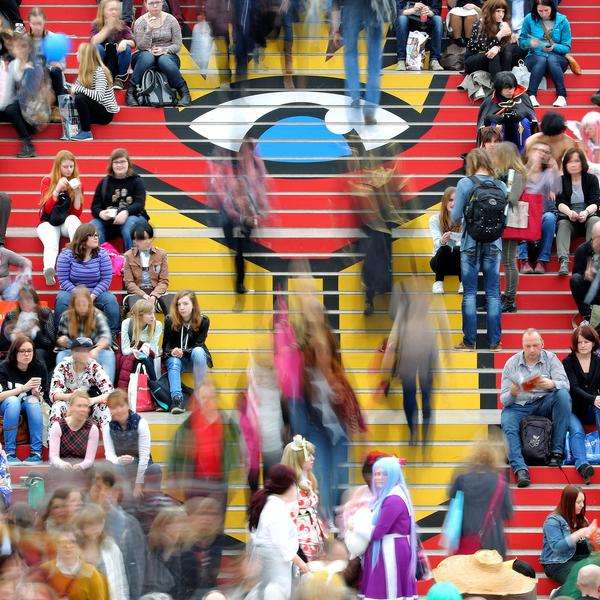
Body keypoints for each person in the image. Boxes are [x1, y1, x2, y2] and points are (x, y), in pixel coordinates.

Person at [500, 328, 593, 488]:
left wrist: (551, 384)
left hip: (545, 402)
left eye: (535, 345)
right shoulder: (511, 363)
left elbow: (565, 385)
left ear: (542, 344)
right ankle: (520, 469)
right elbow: (504, 400)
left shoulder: (551, 358)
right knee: (507, 420)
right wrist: (513, 393)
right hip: (520, 405)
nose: (531, 350)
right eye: (527, 346)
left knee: (562, 395)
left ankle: (557, 452)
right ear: (522, 345)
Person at [451, 148, 507, 351]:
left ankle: (469, 341)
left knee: (470, 294)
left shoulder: (465, 183)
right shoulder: (501, 185)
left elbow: (455, 217)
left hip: (470, 244)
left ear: (472, 163)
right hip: (494, 244)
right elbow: (505, 218)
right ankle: (495, 342)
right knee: (493, 293)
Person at [210, 141, 269, 295]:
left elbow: (261, 185)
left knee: (242, 248)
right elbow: (227, 203)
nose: (243, 154)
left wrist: (257, 214)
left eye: (247, 151)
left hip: (247, 213)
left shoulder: (252, 168)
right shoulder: (228, 168)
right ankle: (239, 283)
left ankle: (240, 283)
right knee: (238, 249)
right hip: (231, 215)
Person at [168, 381, 238, 501]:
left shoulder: (227, 424)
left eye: (210, 397)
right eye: (203, 398)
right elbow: (175, 455)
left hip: (219, 484)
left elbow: (236, 449)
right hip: (195, 484)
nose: (206, 401)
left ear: (216, 398)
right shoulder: (189, 424)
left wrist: (233, 473)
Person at [247, 464, 309, 599]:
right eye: (294, 484)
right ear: (287, 486)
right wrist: (303, 565)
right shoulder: (275, 510)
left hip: (276, 570)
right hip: (275, 572)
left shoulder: (274, 505)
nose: (296, 489)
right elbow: (282, 545)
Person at [361, 456, 418, 600]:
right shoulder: (393, 495)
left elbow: (377, 532)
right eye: (376, 473)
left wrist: (355, 528)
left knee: (389, 594)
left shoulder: (393, 499)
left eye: (384, 474)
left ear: (393, 475)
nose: (378, 478)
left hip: (391, 552)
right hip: (391, 549)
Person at [448, 437, 513, 557]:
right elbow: (508, 513)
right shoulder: (500, 482)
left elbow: (452, 501)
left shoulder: (461, 479)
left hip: (467, 539)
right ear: (494, 457)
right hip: (494, 542)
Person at [89, 469, 147, 599]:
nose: (101, 494)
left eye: (105, 488)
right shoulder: (83, 522)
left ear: (116, 493)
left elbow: (135, 571)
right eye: (97, 488)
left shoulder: (128, 525)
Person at [55, 223, 120, 338]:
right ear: (83, 237)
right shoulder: (66, 255)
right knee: (61, 299)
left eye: (97, 235)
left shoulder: (102, 254)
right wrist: (79, 295)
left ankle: (111, 336)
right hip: (72, 291)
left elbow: (106, 279)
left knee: (110, 300)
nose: (96, 238)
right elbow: (63, 280)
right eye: (92, 235)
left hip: (95, 291)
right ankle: (61, 336)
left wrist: (93, 295)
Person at [330, 0, 384, 125]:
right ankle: (370, 111)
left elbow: (335, 4)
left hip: (351, 5)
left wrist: (336, 30)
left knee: (350, 54)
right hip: (374, 7)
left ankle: (354, 97)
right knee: (374, 60)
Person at [128, 0, 190, 107]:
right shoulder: (140, 22)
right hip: (144, 57)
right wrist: (149, 31)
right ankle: (131, 93)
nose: (155, 6)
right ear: (146, 5)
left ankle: (184, 93)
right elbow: (141, 46)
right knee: (148, 57)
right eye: (151, 3)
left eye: (158, 2)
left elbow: (177, 45)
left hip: (168, 56)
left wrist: (164, 50)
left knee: (163, 59)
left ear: (162, 3)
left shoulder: (171, 20)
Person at [101, 389, 160, 498]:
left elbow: (144, 457)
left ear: (128, 405)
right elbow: (109, 455)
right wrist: (119, 460)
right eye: (114, 408)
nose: (118, 411)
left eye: (121, 406)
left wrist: (138, 484)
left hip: (141, 465)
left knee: (155, 468)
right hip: (121, 466)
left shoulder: (141, 423)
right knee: (113, 468)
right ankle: (127, 503)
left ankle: (152, 503)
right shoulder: (107, 428)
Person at [37, 150, 84, 286]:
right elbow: (47, 209)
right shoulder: (47, 180)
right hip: (47, 222)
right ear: (58, 166)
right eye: (65, 167)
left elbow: (76, 213)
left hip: (65, 221)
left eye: (71, 166)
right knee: (51, 242)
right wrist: (56, 190)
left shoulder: (76, 182)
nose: (69, 170)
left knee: (74, 221)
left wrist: (77, 193)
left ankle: (78, 257)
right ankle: (49, 270)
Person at [91, 148, 150, 252]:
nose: (119, 165)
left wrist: (126, 212)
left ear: (128, 163)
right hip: (110, 222)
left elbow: (140, 204)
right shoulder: (104, 183)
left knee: (128, 226)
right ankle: (104, 260)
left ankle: (131, 262)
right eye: (116, 162)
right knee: (93, 227)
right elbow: (95, 206)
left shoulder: (136, 181)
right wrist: (101, 213)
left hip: (135, 217)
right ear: (111, 165)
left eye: (122, 161)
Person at [162, 290, 212, 413]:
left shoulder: (203, 321)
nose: (181, 307)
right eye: (179, 304)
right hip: (177, 359)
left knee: (199, 351)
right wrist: (172, 351)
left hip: (195, 357)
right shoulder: (170, 320)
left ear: (193, 305)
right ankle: (177, 400)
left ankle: (201, 396)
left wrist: (183, 351)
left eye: (185, 304)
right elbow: (165, 347)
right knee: (173, 361)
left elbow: (199, 344)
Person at [0, 335, 46, 464]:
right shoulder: (4, 367)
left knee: (33, 401)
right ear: (14, 352)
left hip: (28, 404)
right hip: (6, 405)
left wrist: (38, 395)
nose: (26, 354)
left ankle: (36, 452)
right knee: (13, 401)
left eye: (29, 351)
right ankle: (9, 452)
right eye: (22, 351)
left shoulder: (39, 367)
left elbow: (45, 396)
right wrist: (23, 388)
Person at [55, 286, 116, 382]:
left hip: (95, 349)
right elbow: (61, 338)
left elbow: (105, 338)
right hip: (73, 350)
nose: (81, 307)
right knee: (61, 356)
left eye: (84, 304)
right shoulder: (66, 316)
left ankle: (107, 390)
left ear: (89, 303)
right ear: (73, 305)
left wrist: (96, 350)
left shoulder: (97, 315)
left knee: (108, 356)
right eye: (78, 304)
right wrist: (62, 340)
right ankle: (64, 388)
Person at [494, 142, 528, 313]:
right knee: (507, 261)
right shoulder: (509, 174)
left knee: (509, 261)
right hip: (506, 220)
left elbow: (513, 198)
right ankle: (507, 296)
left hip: (510, 220)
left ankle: (510, 298)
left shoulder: (515, 174)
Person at [281, 435, 326, 562]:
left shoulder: (309, 481)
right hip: (300, 535)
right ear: (298, 459)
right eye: (308, 455)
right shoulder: (290, 486)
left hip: (312, 531)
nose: (313, 458)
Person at [518, 141, 561, 274]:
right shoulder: (519, 171)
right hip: (525, 215)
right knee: (520, 212)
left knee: (549, 217)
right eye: (538, 150)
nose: (541, 154)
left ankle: (542, 261)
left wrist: (554, 169)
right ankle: (524, 260)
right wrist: (531, 168)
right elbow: (512, 193)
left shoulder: (550, 174)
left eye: (546, 152)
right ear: (529, 152)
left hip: (543, 215)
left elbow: (558, 190)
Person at [518, 0, 572, 108]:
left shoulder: (562, 20)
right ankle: (531, 95)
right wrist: (530, 43)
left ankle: (561, 95)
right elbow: (522, 41)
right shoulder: (529, 18)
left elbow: (567, 47)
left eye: (546, 10)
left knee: (551, 59)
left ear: (552, 8)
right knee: (541, 59)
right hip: (534, 57)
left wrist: (554, 47)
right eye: (540, 11)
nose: (543, 13)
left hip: (556, 59)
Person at [49, 336, 114, 426]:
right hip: (69, 402)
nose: (83, 354)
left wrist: (91, 400)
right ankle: (54, 438)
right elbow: (53, 394)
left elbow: (109, 392)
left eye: (87, 351)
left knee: (103, 407)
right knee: (58, 406)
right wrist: (71, 397)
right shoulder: (63, 366)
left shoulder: (94, 366)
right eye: (79, 350)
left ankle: (105, 439)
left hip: (89, 403)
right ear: (72, 351)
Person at [557, 149, 600, 276]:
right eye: (570, 162)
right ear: (565, 164)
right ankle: (563, 261)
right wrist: (570, 213)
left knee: (595, 221)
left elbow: (595, 202)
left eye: (576, 161)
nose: (573, 164)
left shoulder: (591, 179)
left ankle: (592, 260)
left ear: (582, 163)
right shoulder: (561, 180)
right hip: (569, 217)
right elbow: (559, 202)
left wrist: (586, 212)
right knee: (563, 224)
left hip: (588, 215)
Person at [541, 485, 596, 584]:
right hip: (557, 563)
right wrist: (579, 533)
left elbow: (588, 547)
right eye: (578, 502)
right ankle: (557, 594)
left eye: (583, 501)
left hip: (579, 559)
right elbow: (557, 547)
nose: (582, 505)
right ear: (568, 503)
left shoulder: (581, 519)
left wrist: (594, 540)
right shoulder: (553, 521)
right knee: (583, 580)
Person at [74, 503, 129, 600]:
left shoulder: (111, 547)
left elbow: (120, 581)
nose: (95, 528)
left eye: (99, 523)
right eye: (90, 524)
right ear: (82, 526)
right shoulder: (74, 548)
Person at [41, 528, 109, 600]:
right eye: (62, 542)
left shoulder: (92, 574)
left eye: (72, 542)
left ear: (80, 546)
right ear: (56, 545)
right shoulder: (45, 570)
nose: (67, 546)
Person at [477, 71, 537, 152]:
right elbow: (485, 120)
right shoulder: (490, 100)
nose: (510, 91)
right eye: (506, 88)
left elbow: (530, 115)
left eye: (512, 87)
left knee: (524, 122)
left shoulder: (523, 97)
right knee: (494, 126)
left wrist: (517, 116)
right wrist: (500, 118)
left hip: (519, 129)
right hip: (500, 128)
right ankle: (496, 155)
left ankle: (523, 155)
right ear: (499, 88)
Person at [71, 42, 120, 141]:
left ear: (85, 56)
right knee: (78, 97)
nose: (76, 54)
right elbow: (77, 87)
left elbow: (99, 96)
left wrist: (78, 89)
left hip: (105, 113)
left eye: (79, 52)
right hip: (95, 107)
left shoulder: (99, 72)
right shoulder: (84, 71)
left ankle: (86, 132)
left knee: (80, 97)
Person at [0, 286, 55, 369]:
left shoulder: (45, 313)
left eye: (28, 299)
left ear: (35, 301)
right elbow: (2, 345)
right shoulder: (11, 315)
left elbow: (50, 343)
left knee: (38, 354)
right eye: (21, 299)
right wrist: (13, 337)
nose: (25, 302)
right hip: (17, 351)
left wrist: (35, 333)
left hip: (39, 351)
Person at [0, 33, 36, 157]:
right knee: (9, 107)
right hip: (16, 107)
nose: (20, 50)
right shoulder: (13, 65)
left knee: (11, 109)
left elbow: (30, 95)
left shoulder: (34, 66)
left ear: (29, 48)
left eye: (23, 47)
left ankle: (28, 144)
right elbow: (7, 92)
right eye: (18, 47)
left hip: (33, 113)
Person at [123, 221, 171, 314]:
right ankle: (134, 327)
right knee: (133, 303)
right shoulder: (128, 255)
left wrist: (154, 295)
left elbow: (164, 281)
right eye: (140, 239)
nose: (147, 241)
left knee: (171, 302)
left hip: (156, 293)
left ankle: (171, 328)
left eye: (147, 238)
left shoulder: (161, 254)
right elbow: (129, 283)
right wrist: (144, 295)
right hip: (138, 293)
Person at [465, 1, 521, 79]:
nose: (501, 15)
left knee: (509, 49)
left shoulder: (503, 23)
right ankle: (499, 85)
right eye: (498, 11)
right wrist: (499, 36)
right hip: (475, 59)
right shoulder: (480, 24)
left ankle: (507, 81)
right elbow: (485, 48)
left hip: (493, 60)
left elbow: (504, 45)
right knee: (493, 55)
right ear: (490, 11)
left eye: (503, 11)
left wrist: (511, 38)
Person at [48, 390, 100, 472]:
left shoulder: (93, 429)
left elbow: (89, 460)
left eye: (85, 406)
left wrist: (80, 466)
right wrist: (62, 464)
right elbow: (53, 457)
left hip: (83, 470)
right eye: (79, 406)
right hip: (61, 469)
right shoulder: (57, 426)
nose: (83, 409)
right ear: (71, 407)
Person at [562, 324, 600, 435]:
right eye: (579, 342)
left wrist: (596, 400)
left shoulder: (598, 361)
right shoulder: (568, 362)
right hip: (573, 409)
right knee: (578, 432)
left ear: (593, 343)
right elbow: (574, 388)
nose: (582, 345)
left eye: (586, 342)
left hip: (592, 409)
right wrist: (593, 399)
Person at [91, 0, 135, 89]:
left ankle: (120, 79)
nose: (114, 12)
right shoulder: (97, 24)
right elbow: (93, 41)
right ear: (103, 11)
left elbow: (133, 42)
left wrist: (125, 41)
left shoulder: (122, 24)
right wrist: (107, 28)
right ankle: (101, 78)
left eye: (116, 9)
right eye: (111, 10)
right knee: (97, 47)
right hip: (104, 62)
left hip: (118, 60)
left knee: (127, 48)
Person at [119, 298, 163, 384]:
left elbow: (152, 350)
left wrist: (143, 350)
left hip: (148, 357)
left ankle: (149, 386)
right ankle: (153, 386)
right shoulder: (127, 323)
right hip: (131, 357)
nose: (153, 317)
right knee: (139, 360)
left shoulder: (157, 325)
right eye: (150, 314)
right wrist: (139, 350)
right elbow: (125, 350)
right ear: (140, 315)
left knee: (144, 360)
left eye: (153, 313)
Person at [429, 186, 461, 294]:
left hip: (459, 264)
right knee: (444, 248)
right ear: (445, 201)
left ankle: (463, 283)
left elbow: (465, 240)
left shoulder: (464, 219)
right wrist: (443, 241)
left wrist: (452, 235)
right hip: (439, 263)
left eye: (457, 201)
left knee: (458, 249)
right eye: (450, 200)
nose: (453, 204)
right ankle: (438, 282)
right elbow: (436, 242)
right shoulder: (435, 219)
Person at [395, 0, 444, 71]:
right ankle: (401, 60)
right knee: (402, 19)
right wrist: (412, 10)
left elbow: (437, 10)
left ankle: (434, 60)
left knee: (438, 19)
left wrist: (429, 12)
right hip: (409, 19)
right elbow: (398, 10)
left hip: (427, 19)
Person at [570, 221, 600, 322]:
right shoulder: (582, 250)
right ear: (593, 237)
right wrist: (586, 275)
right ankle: (586, 315)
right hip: (588, 290)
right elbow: (576, 275)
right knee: (575, 279)